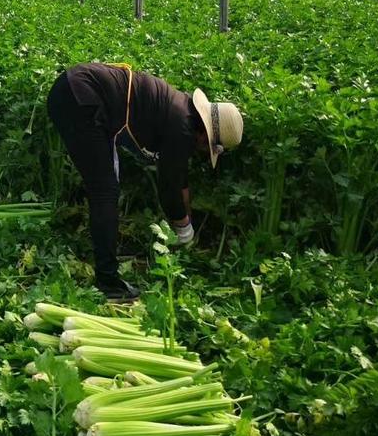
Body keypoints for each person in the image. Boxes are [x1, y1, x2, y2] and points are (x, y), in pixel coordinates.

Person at [47, 63, 243, 299]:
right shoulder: (182, 129)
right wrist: (184, 228)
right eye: (207, 145)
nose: (203, 150)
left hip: (76, 91)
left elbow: (179, 177)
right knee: (105, 190)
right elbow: (169, 186)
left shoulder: (182, 112)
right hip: (82, 98)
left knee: (107, 183)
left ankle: (107, 272)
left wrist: (186, 219)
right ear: (204, 133)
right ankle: (109, 282)